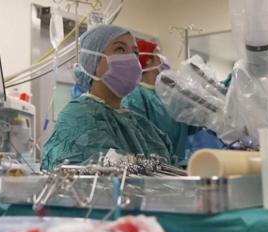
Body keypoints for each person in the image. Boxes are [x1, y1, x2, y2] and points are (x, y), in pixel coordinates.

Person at [41, 25, 173, 171]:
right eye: (120, 50)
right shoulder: (78, 116)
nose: (132, 58)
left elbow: (169, 165)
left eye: (135, 53)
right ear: (94, 62)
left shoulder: (140, 124)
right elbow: (94, 171)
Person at [121, 40, 198, 162]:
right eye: (158, 55)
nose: (162, 60)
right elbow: (141, 139)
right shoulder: (135, 97)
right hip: (155, 169)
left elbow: (191, 123)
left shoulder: (169, 94)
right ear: (147, 60)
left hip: (178, 167)